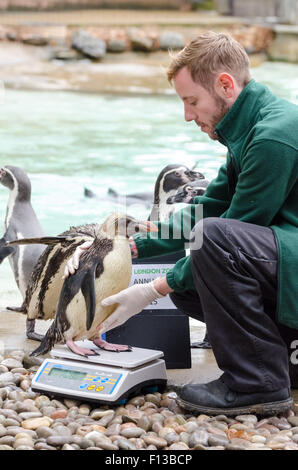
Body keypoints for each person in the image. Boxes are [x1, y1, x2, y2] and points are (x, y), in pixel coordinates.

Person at [65, 31, 298, 415]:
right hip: (286, 264)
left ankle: (257, 384)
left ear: (225, 85)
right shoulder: (251, 129)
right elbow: (208, 207)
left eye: (192, 101)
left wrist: (152, 289)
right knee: (191, 287)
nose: (188, 115)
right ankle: (279, 361)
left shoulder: (275, 135)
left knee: (209, 248)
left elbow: (229, 233)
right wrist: (128, 245)